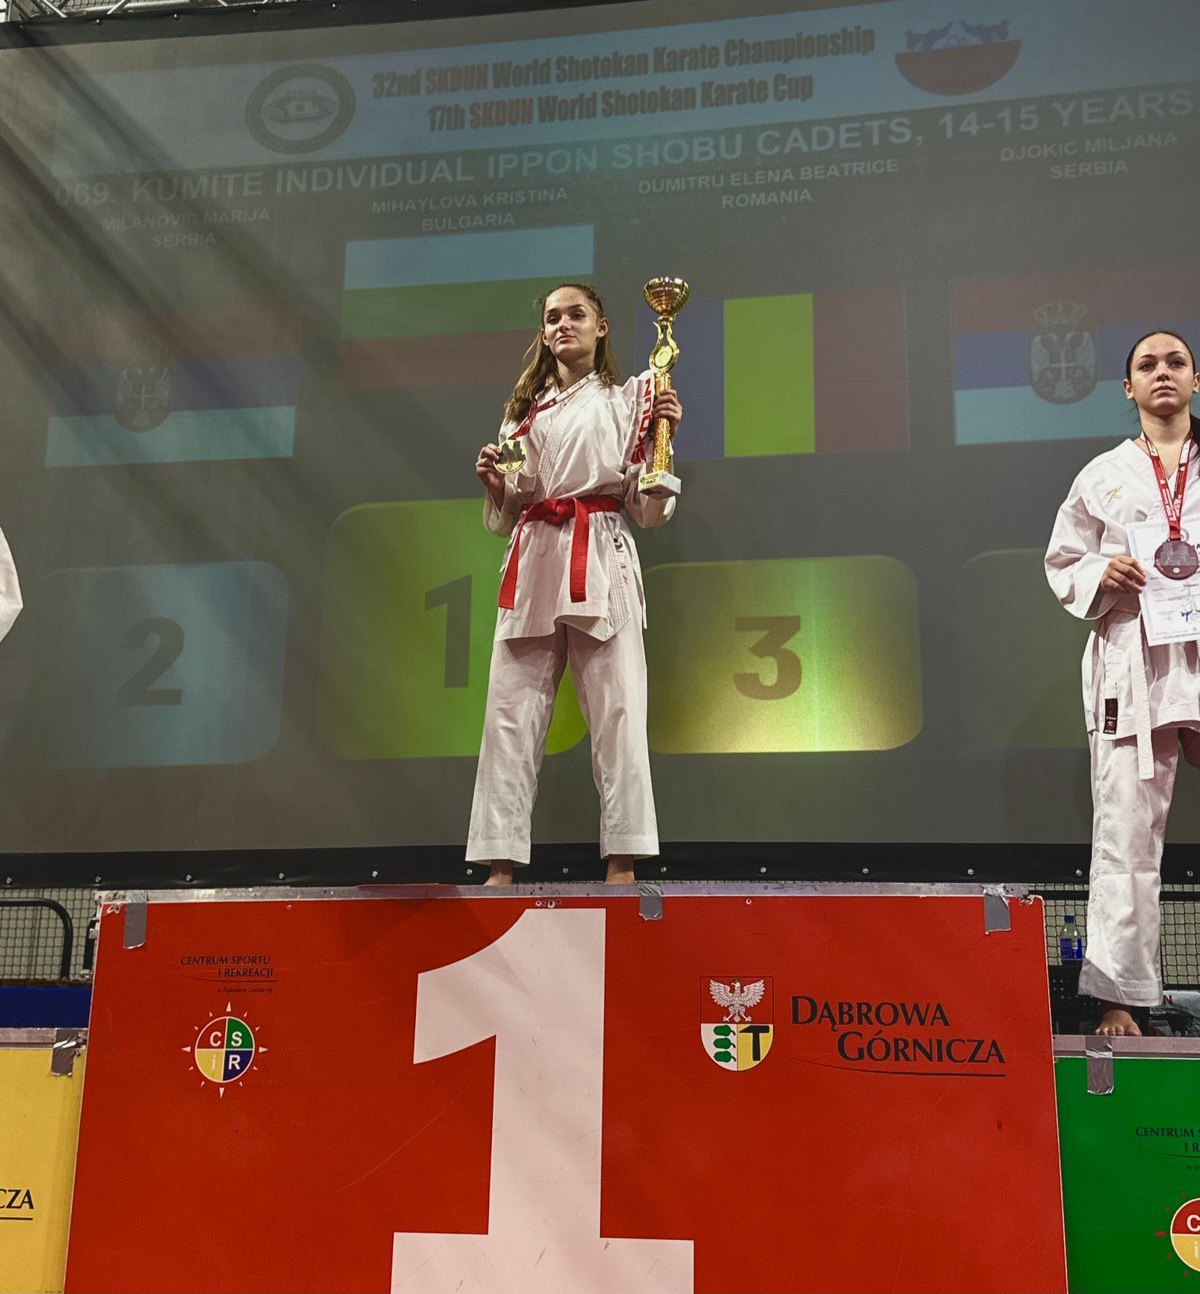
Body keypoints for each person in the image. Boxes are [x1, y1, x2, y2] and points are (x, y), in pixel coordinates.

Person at [467, 283, 682, 886]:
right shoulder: (522, 412)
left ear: (601, 326)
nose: (563, 324)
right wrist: (496, 486)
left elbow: (647, 509)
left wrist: (663, 444)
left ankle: (623, 859)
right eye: (552, 317)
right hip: (534, 555)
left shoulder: (633, 398)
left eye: (576, 314)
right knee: (509, 715)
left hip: (599, 552)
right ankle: (500, 862)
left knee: (618, 710)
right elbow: (509, 511)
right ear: (543, 332)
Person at [1046, 329, 1200, 1036]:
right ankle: (1120, 997)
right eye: (1147, 364)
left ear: (1195, 380)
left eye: (1176, 362)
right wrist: (1099, 571)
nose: (1162, 372)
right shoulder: (1102, 475)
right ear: (1128, 388)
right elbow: (1063, 561)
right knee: (1127, 831)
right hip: (1134, 656)